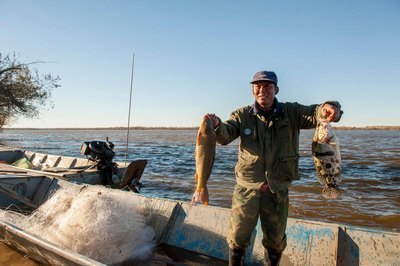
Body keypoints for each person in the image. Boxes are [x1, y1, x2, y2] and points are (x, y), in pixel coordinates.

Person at [205, 70, 342, 266]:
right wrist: (217, 124)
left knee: (276, 241)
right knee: (237, 237)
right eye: (258, 86)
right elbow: (225, 136)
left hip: (277, 189)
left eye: (267, 86)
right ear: (252, 90)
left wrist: (330, 108)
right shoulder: (242, 115)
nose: (262, 90)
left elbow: (316, 112)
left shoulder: (292, 112)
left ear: (276, 89)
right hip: (247, 189)